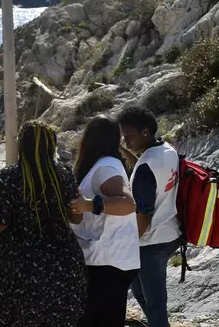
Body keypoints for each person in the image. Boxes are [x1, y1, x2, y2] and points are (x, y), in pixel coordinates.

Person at [0, 120, 87, 327]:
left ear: (22, 145)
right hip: (63, 264)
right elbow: (76, 218)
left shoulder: (9, 176)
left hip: (18, 266)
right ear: (52, 145)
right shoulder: (65, 175)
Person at [70, 116, 140, 327]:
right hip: (108, 260)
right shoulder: (102, 166)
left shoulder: (107, 167)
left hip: (108, 262)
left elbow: (128, 203)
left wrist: (89, 205)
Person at [117, 106, 181, 327]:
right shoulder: (166, 149)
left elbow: (143, 216)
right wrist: (124, 152)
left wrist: (127, 243)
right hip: (171, 233)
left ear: (145, 132)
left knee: (155, 304)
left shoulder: (145, 167)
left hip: (150, 242)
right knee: (139, 291)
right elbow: (149, 171)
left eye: (129, 136)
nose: (126, 141)